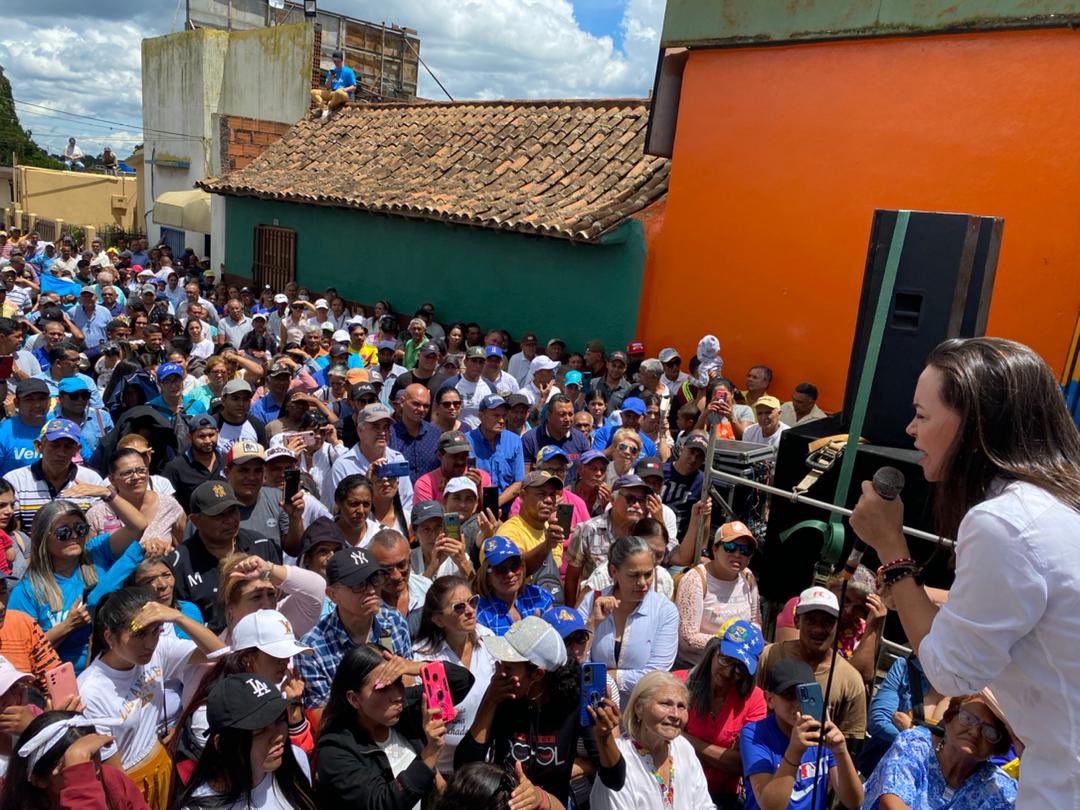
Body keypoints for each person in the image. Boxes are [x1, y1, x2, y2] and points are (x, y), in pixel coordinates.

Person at [848, 336, 1080, 807]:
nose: (910, 429)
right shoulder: (1056, 505)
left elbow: (950, 669)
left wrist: (890, 546)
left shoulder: (1003, 522)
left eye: (923, 414)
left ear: (973, 426)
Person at [76, 586, 224, 809]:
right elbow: (113, 776)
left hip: (163, 770)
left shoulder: (158, 651)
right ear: (109, 637)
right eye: (139, 634)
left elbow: (219, 653)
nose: (149, 643)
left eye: (156, 631)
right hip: (131, 788)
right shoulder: (91, 691)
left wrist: (178, 617)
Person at [315, 644, 473, 808]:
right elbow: (380, 804)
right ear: (354, 699)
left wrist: (417, 667)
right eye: (382, 688)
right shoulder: (334, 749)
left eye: (398, 681)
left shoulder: (405, 709)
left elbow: (463, 681)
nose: (397, 695)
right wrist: (428, 756)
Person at [8, 498, 148, 674]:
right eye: (63, 532)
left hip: (113, 674)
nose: (74, 536)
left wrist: (108, 494)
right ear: (44, 537)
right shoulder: (27, 591)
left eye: (80, 528)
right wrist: (67, 625)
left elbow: (138, 526)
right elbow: (22, 652)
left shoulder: (96, 552)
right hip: (65, 683)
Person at [172, 673, 317, 809]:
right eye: (259, 730)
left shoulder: (297, 760)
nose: (277, 736)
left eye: (280, 720)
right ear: (222, 744)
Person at [298, 547, 412, 717]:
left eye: (375, 579)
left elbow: (408, 679)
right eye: (359, 585)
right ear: (333, 594)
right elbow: (321, 716)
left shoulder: (394, 621)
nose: (372, 590)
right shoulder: (312, 649)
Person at [739, 658, 863, 810]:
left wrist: (841, 753)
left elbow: (854, 801)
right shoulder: (754, 734)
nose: (797, 703)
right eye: (789, 695)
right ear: (770, 699)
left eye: (804, 695)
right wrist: (794, 751)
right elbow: (770, 806)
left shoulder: (822, 730)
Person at [861, 693, 1017, 810]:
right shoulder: (916, 744)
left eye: (989, 731)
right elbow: (891, 804)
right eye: (968, 719)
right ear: (949, 718)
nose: (975, 732)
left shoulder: (999, 787)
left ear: (998, 745)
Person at [167, 480, 282, 634]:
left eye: (233, 510)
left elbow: (281, 594)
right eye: (219, 515)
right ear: (195, 520)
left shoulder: (261, 545)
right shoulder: (179, 564)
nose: (230, 520)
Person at [588, 671, 713, 810]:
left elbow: (705, 806)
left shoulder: (683, 747)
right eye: (666, 704)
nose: (676, 715)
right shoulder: (617, 758)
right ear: (639, 708)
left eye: (681, 706)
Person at [755, 587, 866, 744]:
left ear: (837, 626)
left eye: (827, 622)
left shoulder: (851, 681)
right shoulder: (769, 656)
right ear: (796, 621)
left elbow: (849, 745)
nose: (818, 629)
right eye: (810, 620)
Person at [676, 620, 767, 808]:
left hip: (724, 796)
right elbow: (663, 744)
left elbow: (742, 763)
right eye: (725, 660)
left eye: (739, 668)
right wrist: (721, 756)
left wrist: (683, 738)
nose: (728, 673)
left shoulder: (755, 699)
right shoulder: (677, 684)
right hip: (679, 788)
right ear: (712, 651)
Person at [577, 535, 678, 704]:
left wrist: (603, 676)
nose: (642, 583)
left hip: (639, 716)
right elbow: (574, 661)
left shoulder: (665, 611)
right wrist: (592, 624)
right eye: (634, 575)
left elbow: (655, 676)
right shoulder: (590, 601)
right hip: (592, 711)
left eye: (648, 574)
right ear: (613, 571)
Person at [412, 575, 496, 775]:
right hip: (442, 770)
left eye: (472, 602)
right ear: (438, 619)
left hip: (483, 765)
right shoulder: (421, 656)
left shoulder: (489, 641)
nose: (469, 610)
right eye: (458, 607)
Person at [2, 710, 149, 809]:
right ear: (39, 779)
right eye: (72, 764)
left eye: (92, 754)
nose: (93, 771)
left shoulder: (112, 779)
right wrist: (80, 781)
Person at [676, 521, 761, 667]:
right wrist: (730, 643)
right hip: (696, 665)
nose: (738, 554)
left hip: (736, 664)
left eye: (745, 550)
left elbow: (756, 621)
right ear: (715, 549)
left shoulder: (748, 577)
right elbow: (688, 637)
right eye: (730, 547)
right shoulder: (695, 579)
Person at [563, 473, 649, 604]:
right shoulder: (588, 529)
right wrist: (571, 614)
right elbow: (572, 578)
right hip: (594, 607)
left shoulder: (644, 533)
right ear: (613, 500)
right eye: (631, 499)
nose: (637, 505)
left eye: (641, 500)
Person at [88, 448, 186, 548]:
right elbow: (90, 558)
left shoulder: (169, 506)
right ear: (112, 479)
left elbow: (183, 548)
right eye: (127, 473)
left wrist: (166, 549)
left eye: (141, 470)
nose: (136, 477)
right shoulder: (97, 514)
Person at [473, 536, 553, 636]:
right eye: (500, 569)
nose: (510, 574)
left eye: (515, 566)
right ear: (487, 575)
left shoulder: (539, 596)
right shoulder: (480, 613)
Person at [466, 395, 524, 509]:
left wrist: (495, 504)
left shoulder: (514, 441)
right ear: (481, 416)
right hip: (474, 508)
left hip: (507, 509)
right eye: (496, 415)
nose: (501, 420)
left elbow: (519, 482)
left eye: (504, 416)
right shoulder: (467, 441)